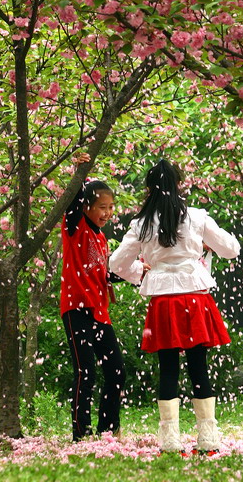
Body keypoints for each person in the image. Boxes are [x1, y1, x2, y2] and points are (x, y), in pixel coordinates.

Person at [109, 159, 240, 454]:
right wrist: (203, 248)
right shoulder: (196, 216)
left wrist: (142, 272)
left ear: (148, 189)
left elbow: (116, 264)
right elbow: (231, 250)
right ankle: (208, 440)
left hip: (163, 299)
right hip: (194, 296)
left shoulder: (141, 224)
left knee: (167, 369)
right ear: (178, 184)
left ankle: (169, 442)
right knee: (199, 367)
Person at [60, 153, 141, 441]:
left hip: (98, 311)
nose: (107, 213)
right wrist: (81, 170)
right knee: (86, 372)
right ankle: (81, 434)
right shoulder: (75, 227)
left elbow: (106, 274)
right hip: (76, 308)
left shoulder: (101, 238)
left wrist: (142, 270)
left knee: (116, 371)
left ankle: (108, 430)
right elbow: (70, 201)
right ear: (86, 206)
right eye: (101, 207)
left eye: (111, 207)